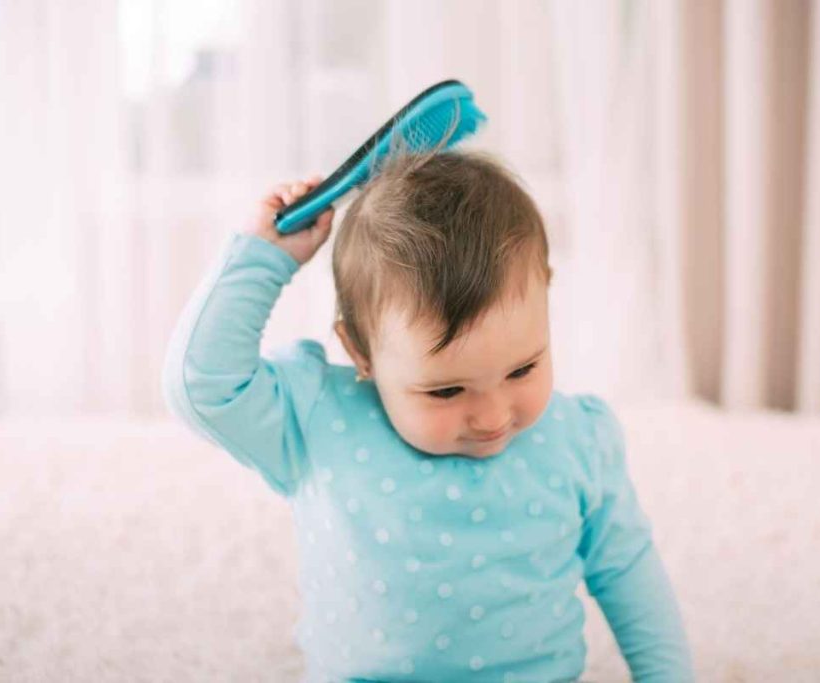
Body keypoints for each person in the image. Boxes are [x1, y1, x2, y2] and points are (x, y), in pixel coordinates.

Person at [161, 143, 694, 682]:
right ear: (361, 352)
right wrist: (265, 257)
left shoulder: (578, 439)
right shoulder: (317, 419)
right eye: (445, 391)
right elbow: (202, 384)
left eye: (522, 370)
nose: (491, 417)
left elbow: (626, 569)